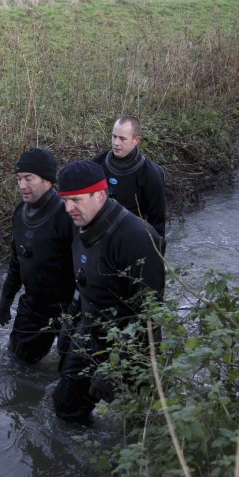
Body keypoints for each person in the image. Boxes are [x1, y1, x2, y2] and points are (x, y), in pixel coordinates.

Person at [52, 160, 166, 425]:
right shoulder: (82, 224)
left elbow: (149, 313)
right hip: (92, 328)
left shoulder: (136, 237)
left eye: (76, 200)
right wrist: (69, 325)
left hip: (131, 343)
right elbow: (84, 282)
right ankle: (82, 463)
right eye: (65, 200)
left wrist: (115, 366)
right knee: (65, 407)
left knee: (141, 426)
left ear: (100, 195)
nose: (69, 208)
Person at [0, 148, 75, 363]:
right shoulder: (20, 213)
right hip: (34, 307)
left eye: (29, 179)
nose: (22, 186)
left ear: (48, 180)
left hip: (68, 308)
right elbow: (17, 260)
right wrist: (6, 298)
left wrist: (77, 315)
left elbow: (87, 270)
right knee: (17, 366)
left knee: (72, 373)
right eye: (19, 179)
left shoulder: (67, 215)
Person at [92, 116, 166, 242]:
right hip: (100, 235)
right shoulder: (98, 162)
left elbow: (157, 224)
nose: (116, 143)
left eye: (122, 139)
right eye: (114, 136)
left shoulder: (150, 174)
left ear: (136, 140)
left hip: (132, 239)